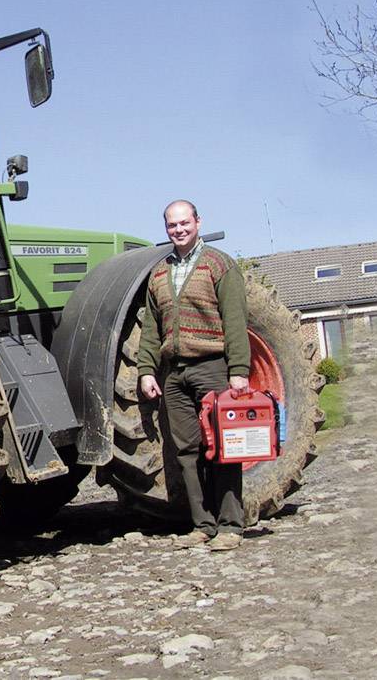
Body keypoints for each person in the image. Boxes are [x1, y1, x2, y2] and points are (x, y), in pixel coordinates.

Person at [137, 199, 250, 552]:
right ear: (166, 229)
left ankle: (231, 524)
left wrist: (239, 372)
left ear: (198, 222)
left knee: (223, 449)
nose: (179, 230)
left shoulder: (220, 265)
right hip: (175, 375)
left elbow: (235, 322)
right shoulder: (159, 273)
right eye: (172, 225)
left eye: (185, 223)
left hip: (212, 367)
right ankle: (203, 524)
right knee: (186, 451)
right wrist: (146, 370)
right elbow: (151, 330)